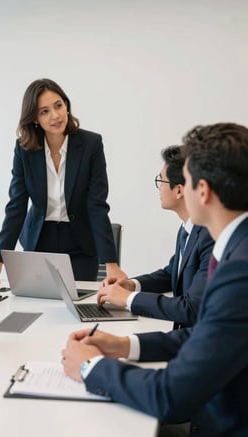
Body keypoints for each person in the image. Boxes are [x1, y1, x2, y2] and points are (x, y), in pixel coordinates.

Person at [62, 123, 248, 436]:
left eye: (185, 181)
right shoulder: (236, 248)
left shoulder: (239, 271)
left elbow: (170, 396)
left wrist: (90, 366)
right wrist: (123, 345)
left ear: (201, 191)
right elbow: (204, 335)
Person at [0, 78, 125, 282]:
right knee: (37, 306)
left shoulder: (91, 144)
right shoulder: (24, 150)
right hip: (38, 241)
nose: (55, 115)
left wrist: (111, 263)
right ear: (34, 118)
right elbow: (16, 205)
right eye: (44, 111)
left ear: (66, 105)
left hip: (80, 245)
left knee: (79, 306)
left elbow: (97, 205)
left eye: (58, 105)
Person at [97, 145, 214, 328]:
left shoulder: (209, 236)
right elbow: (171, 274)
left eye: (162, 181)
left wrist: (129, 299)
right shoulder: (187, 229)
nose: (159, 187)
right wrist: (131, 285)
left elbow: (191, 309)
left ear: (179, 190)